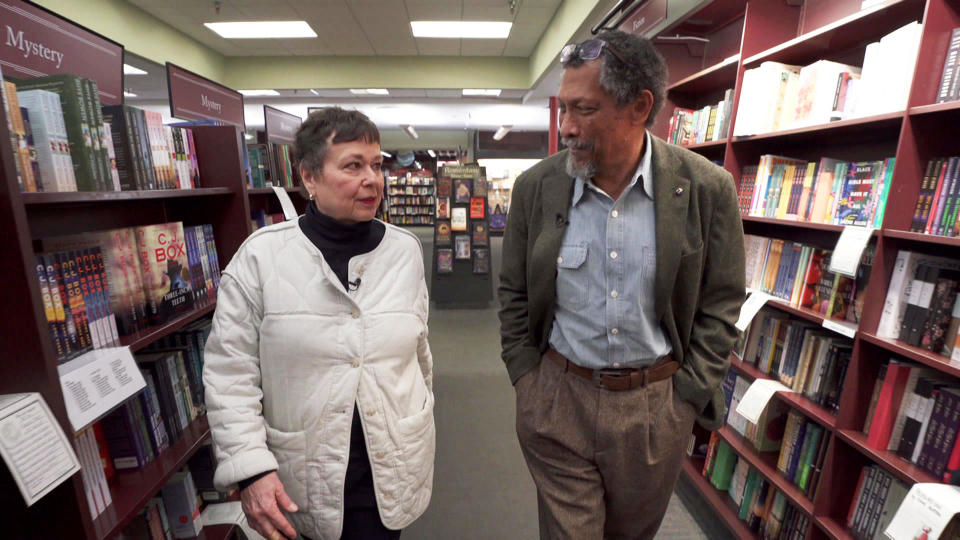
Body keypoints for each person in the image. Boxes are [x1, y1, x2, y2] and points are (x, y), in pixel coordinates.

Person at [498, 30, 745, 539]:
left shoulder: (705, 189)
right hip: (558, 399)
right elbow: (515, 293)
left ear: (639, 107)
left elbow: (721, 302)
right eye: (563, 108)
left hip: (655, 408)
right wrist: (528, 380)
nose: (565, 127)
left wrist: (687, 395)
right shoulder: (535, 189)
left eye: (583, 110)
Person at [203, 107, 435, 540]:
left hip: (387, 468)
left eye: (377, 165)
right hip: (301, 477)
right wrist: (250, 470)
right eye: (353, 165)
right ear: (309, 177)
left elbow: (418, 356)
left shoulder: (405, 252)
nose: (373, 179)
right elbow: (229, 374)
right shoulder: (261, 257)